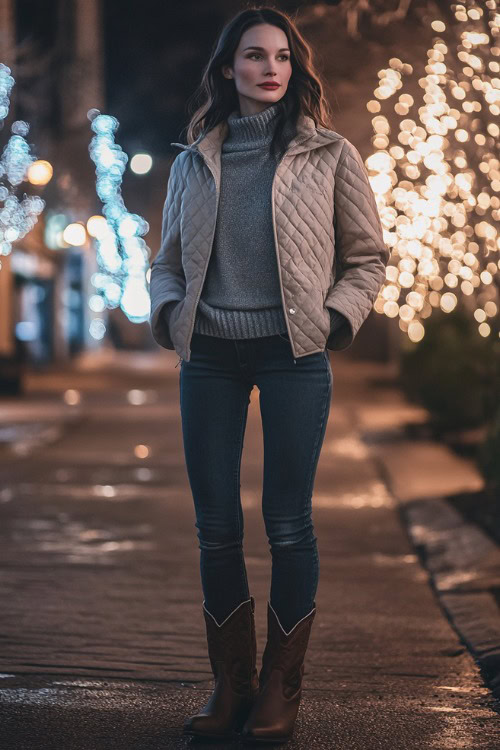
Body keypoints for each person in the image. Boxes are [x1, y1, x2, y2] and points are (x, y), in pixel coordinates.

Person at [149, 6, 389, 744]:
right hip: (211, 358)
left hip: (295, 356)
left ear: (295, 67)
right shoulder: (194, 159)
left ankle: (280, 689)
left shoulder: (330, 155)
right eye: (254, 56)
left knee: (288, 522)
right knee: (216, 527)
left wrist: (333, 320)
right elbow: (166, 262)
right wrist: (168, 314)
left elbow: (368, 256)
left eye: (282, 56)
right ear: (229, 69)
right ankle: (232, 684)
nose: (271, 68)